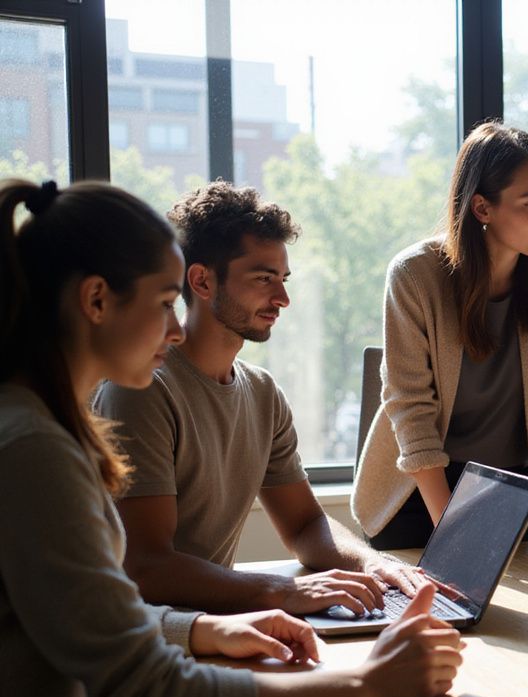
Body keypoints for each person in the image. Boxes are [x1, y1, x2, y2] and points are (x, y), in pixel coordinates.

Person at [0, 178, 463, 697]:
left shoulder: (47, 427)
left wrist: (203, 629)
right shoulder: (33, 450)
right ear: (97, 300)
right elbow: (143, 689)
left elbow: (87, 613)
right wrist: (367, 683)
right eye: (165, 303)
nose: (172, 328)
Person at [94, 181, 424, 616]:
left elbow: (305, 524)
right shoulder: (141, 390)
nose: (283, 298)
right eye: (263, 279)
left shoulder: (263, 392)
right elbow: (147, 568)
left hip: (219, 626)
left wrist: (371, 562)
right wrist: (278, 591)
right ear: (202, 281)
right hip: (150, 641)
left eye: (283, 280)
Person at [352, 122, 528, 550]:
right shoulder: (415, 274)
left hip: (507, 491)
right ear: (482, 208)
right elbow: (409, 407)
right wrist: (453, 531)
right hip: (418, 495)